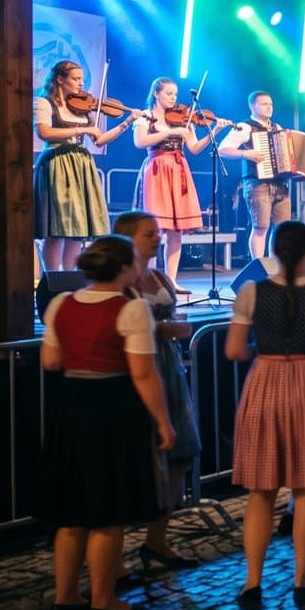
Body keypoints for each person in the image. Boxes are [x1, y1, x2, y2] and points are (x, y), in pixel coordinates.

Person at [39, 235, 174, 610]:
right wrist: (163, 422)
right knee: (108, 509)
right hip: (112, 407)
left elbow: (51, 361)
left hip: (71, 406)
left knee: (72, 513)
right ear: (124, 268)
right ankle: (103, 599)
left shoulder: (62, 303)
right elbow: (143, 373)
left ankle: (66, 596)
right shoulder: (131, 310)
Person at [225, 221, 305, 610]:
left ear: (275, 253)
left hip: (265, 380)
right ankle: (302, 579)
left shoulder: (251, 291)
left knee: (260, 491)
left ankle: (252, 581)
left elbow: (234, 350)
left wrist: (263, 349)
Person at [111, 211, 202, 572]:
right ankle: (113, 556)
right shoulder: (120, 285)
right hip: (139, 369)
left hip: (169, 367)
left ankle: (157, 539)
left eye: (158, 232)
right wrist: (161, 329)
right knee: (136, 458)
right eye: (149, 234)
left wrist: (172, 329)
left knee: (181, 451)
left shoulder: (160, 276)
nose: (157, 238)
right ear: (128, 239)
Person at [132, 77, 230, 287]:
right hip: (157, 169)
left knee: (176, 230)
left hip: (178, 170)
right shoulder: (146, 117)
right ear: (156, 94)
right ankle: (147, 279)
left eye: (175, 94)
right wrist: (171, 131)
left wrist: (215, 131)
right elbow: (140, 142)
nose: (173, 98)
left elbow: (194, 148)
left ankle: (171, 280)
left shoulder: (183, 119)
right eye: (169, 93)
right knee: (154, 228)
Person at [34, 60, 130, 271]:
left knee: (77, 229)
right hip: (58, 163)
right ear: (60, 79)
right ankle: (52, 279)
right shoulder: (44, 102)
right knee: (57, 228)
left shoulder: (81, 107)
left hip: (81, 165)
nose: (81, 84)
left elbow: (99, 140)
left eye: (82, 79)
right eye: (76, 79)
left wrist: (126, 123)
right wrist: (82, 130)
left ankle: (70, 277)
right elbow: (44, 132)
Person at [217, 90, 305, 264]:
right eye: (264, 104)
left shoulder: (277, 128)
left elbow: (290, 157)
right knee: (260, 227)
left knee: (281, 230)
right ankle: (258, 267)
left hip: (280, 185)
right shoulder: (245, 127)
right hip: (257, 184)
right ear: (252, 106)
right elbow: (222, 150)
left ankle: (276, 267)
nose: (269, 107)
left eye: (270, 104)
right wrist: (245, 154)